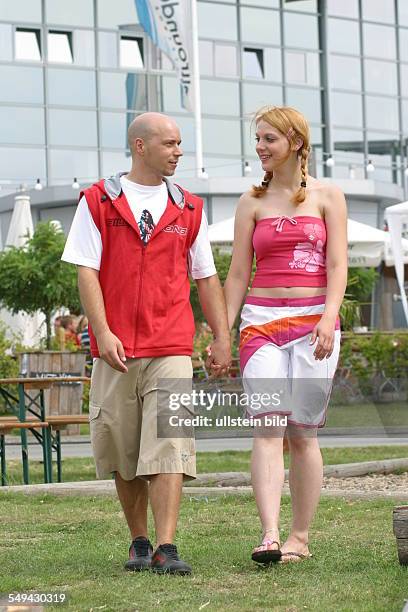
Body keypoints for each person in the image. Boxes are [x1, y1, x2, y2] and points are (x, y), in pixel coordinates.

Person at [62, 112, 231, 575]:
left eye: (180, 144)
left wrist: (220, 335)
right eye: (171, 144)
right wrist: (104, 332)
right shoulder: (98, 201)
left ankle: (166, 546)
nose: (178, 151)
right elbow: (86, 271)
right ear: (141, 146)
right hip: (114, 350)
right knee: (124, 448)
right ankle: (139, 541)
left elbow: (206, 276)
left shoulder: (190, 208)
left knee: (170, 441)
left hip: (171, 344)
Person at [224, 106, 347, 564]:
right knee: (267, 427)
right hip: (261, 322)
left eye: (269, 139)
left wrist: (328, 318)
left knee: (303, 433)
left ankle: (300, 536)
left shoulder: (328, 197)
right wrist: (223, 331)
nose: (260, 147)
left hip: (314, 320)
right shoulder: (250, 203)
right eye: (257, 139)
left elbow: (337, 265)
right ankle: (270, 535)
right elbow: (237, 273)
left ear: (295, 141)